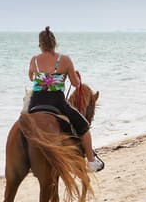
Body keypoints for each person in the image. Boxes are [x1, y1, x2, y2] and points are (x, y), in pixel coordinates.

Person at [27, 26, 104, 172]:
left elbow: (31, 77)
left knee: (23, 120)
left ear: (40, 45)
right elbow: (75, 84)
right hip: (56, 102)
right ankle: (92, 161)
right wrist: (74, 78)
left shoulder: (34, 60)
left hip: (35, 102)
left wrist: (43, 78)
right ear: (55, 44)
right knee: (84, 125)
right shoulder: (65, 59)